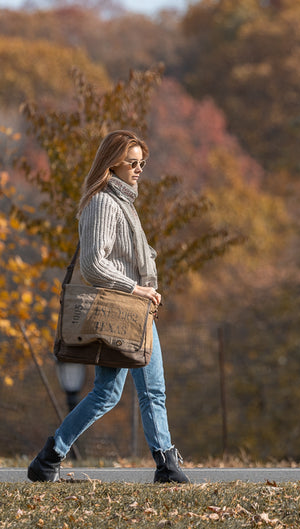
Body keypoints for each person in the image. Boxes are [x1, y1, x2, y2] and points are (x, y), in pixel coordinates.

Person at [28, 130, 189, 484]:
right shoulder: (103, 202)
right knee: (136, 391)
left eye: (142, 163)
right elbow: (93, 264)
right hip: (125, 309)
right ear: (112, 162)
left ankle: (49, 457)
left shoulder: (124, 204)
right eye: (132, 162)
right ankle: (166, 464)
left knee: (112, 393)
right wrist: (136, 288)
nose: (139, 169)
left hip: (136, 311)